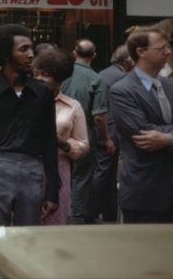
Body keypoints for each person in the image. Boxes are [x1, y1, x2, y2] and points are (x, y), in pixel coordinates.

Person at [0, 24, 60, 231]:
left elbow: (49, 141)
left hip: (31, 168)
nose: (31, 55)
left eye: (31, 49)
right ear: (5, 54)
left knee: (28, 239)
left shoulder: (43, 92)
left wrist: (52, 190)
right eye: (23, 49)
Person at [110, 25, 173, 223]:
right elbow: (144, 133)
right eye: (161, 48)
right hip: (144, 188)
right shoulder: (122, 90)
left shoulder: (172, 86)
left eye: (168, 47)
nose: (168, 52)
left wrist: (169, 138)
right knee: (146, 252)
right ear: (141, 52)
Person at [32, 48, 90, 225]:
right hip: (28, 165)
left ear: (59, 78)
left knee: (54, 221)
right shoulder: (24, 103)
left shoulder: (72, 106)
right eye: (36, 74)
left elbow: (84, 145)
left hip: (59, 167)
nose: (39, 79)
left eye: (45, 75)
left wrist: (61, 143)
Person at [59, 39, 112, 224]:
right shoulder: (96, 79)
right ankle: (76, 218)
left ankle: (59, 213)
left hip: (59, 129)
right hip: (84, 132)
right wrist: (107, 140)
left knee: (60, 172)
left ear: (75, 53)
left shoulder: (63, 74)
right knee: (81, 177)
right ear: (94, 56)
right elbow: (99, 116)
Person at [90, 45, 133, 223]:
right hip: (109, 131)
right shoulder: (122, 77)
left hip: (102, 129)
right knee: (103, 172)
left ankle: (108, 211)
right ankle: (89, 211)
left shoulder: (104, 72)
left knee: (106, 175)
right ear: (128, 61)